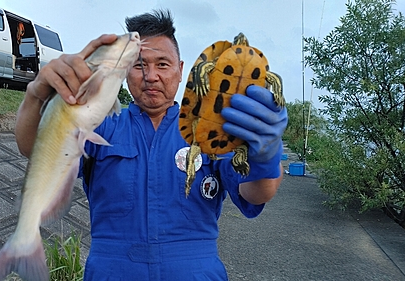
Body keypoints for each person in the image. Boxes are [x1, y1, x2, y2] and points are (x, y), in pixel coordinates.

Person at [15, 9, 288, 281]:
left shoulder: (208, 129)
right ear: (124, 71)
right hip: (111, 271)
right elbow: (32, 147)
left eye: (162, 64)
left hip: (197, 271)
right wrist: (36, 95)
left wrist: (267, 155)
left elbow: (255, 194)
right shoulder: (101, 123)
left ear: (180, 71)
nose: (151, 76)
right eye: (138, 65)